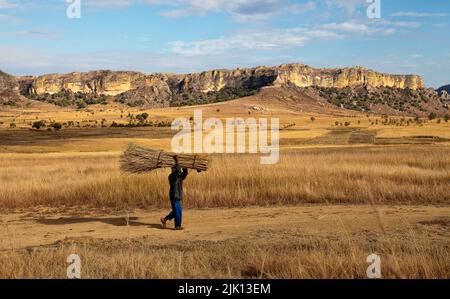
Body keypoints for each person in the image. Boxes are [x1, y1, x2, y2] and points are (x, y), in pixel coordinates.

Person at [161, 156, 188, 230]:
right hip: (174, 196)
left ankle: (165, 219)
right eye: (173, 168)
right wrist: (177, 161)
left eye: (174, 168)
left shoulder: (179, 177)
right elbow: (179, 171)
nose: (173, 169)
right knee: (177, 212)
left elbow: (184, 173)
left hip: (178, 196)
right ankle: (177, 226)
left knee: (178, 211)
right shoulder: (171, 176)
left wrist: (185, 166)